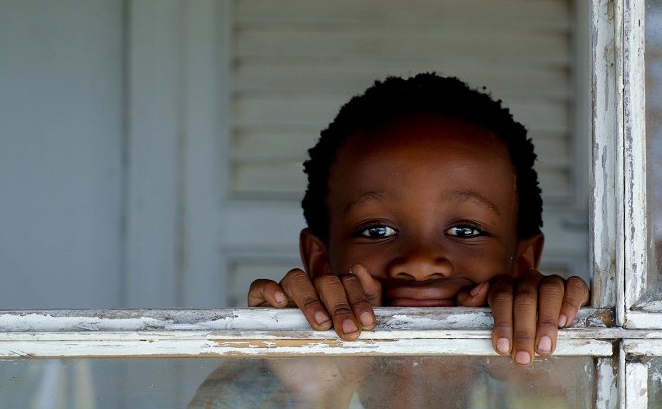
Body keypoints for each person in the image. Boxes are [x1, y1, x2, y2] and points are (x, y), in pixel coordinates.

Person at [246, 73, 589, 366]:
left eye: (465, 230)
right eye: (377, 230)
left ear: (523, 261)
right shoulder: (278, 380)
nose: (421, 265)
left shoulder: (547, 383)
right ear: (319, 261)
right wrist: (315, 394)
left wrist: (535, 377)